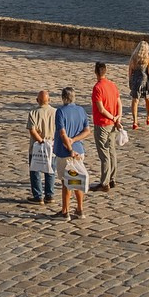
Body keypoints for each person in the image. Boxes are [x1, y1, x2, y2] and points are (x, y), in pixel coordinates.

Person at [53, 86, 90, 220]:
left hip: (65, 153)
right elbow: (87, 131)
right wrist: (74, 140)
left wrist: (70, 149)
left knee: (66, 182)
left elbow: (63, 133)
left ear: (63, 98)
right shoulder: (81, 110)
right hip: (79, 150)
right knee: (77, 180)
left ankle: (65, 211)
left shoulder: (60, 112)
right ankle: (80, 209)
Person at [90, 61, 122, 194]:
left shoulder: (97, 88)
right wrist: (118, 117)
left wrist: (113, 118)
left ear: (96, 72)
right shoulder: (112, 85)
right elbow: (119, 103)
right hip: (112, 124)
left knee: (104, 154)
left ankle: (104, 182)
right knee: (112, 151)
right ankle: (112, 178)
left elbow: (101, 109)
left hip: (103, 123)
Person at [25, 89, 56, 205]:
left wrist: (41, 141)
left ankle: (38, 196)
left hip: (36, 146)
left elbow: (32, 130)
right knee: (50, 171)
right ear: (49, 100)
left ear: (37, 100)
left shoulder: (33, 113)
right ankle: (49, 195)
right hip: (51, 145)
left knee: (35, 171)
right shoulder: (55, 112)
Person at [126, 41, 149, 129]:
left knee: (135, 100)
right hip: (145, 82)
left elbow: (130, 71)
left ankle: (135, 121)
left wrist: (130, 81)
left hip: (135, 81)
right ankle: (148, 117)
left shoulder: (133, 58)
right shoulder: (147, 58)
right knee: (148, 99)